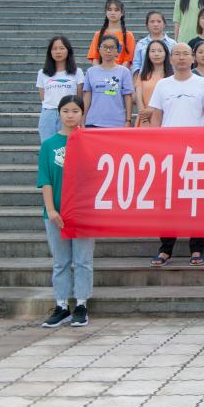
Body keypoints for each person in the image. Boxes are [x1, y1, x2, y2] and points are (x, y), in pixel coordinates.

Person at [148, 43, 204, 267]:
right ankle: (165, 249)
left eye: (186, 54)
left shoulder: (202, 84)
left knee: (196, 200)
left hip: (196, 152)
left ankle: (197, 248)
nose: (181, 58)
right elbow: (156, 117)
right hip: (169, 153)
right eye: (176, 54)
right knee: (169, 200)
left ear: (193, 58)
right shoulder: (163, 85)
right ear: (170, 59)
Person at [38, 95, 93, 328]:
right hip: (56, 213)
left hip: (83, 213)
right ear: (59, 113)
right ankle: (61, 305)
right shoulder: (49, 144)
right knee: (60, 261)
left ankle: (81, 304)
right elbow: (45, 180)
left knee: (83, 260)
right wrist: (51, 210)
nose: (70, 115)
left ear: (82, 114)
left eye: (75, 111)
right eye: (66, 111)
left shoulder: (90, 142)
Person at [37, 36, 84, 142]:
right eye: (54, 49)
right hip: (49, 114)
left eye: (62, 48)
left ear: (68, 50)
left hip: (70, 114)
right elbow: (43, 97)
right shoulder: (42, 73)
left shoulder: (77, 72)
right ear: (50, 52)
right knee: (48, 145)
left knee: (69, 146)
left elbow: (79, 96)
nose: (58, 52)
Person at [84, 35, 133, 128]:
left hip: (117, 122)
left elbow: (128, 97)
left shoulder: (124, 72)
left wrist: (128, 120)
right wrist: (83, 119)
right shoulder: (91, 71)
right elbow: (87, 97)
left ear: (117, 50)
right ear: (99, 49)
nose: (108, 50)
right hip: (93, 121)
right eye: (105, 47)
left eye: (112, 47)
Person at [133, 40, 172, 128]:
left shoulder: (171, 77)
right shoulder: (142, 75)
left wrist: (152, 110)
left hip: (165, 119)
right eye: (153, 51)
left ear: (166, 54)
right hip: (144, 120)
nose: (156, 54)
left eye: (160, 51)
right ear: (148, 54)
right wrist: (144, 119)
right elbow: (139, 98)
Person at [86, 0, 135, 67]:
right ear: (106, 12)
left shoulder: (128, 35)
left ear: (122, 13)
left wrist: (118, 72)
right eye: (109, 10)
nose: (113, 13)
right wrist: (99, 71)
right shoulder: (98, 35)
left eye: (116, 10)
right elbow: (95, 57)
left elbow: (128, 60)